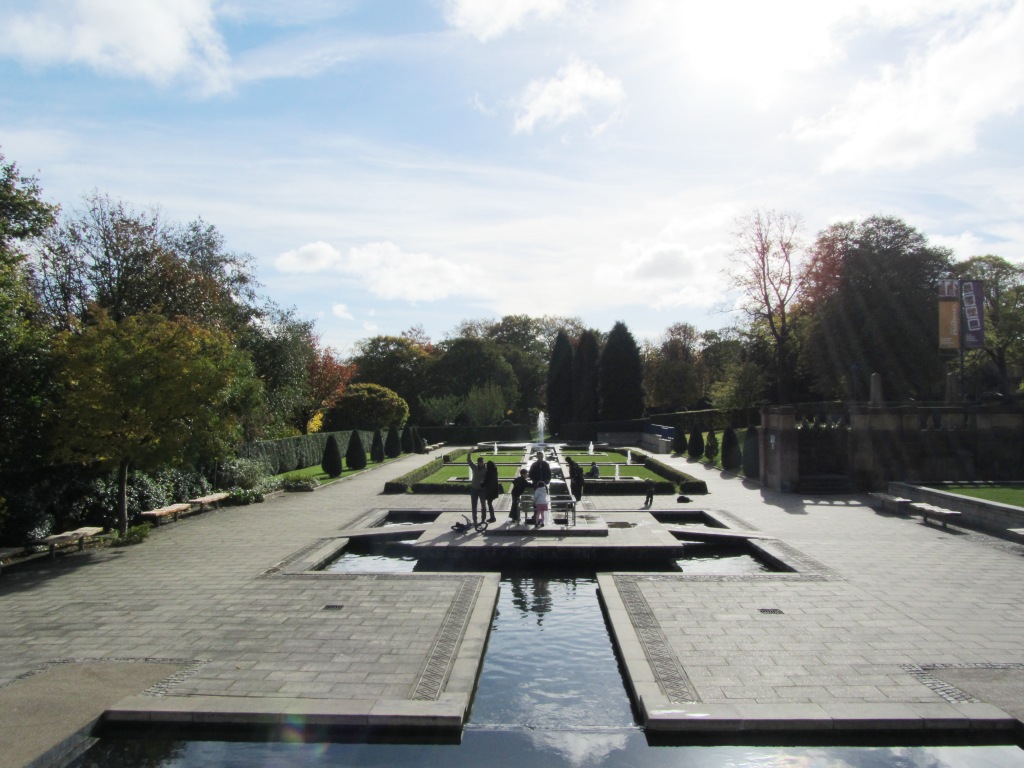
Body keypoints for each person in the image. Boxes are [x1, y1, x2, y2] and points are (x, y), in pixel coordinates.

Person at [466, 453, 487, 524]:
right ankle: (475, 520)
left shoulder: (486, 469)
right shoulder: (475, 467)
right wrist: (469, 453)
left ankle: (483, 519)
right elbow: (469, 461)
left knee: (483, 505)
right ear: (478, 462)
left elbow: (490, 477)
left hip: (482, 490)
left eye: (483, 462)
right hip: (474, 489)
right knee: (474, 505)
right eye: (480, 462)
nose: (482, 463)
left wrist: (484, 481)